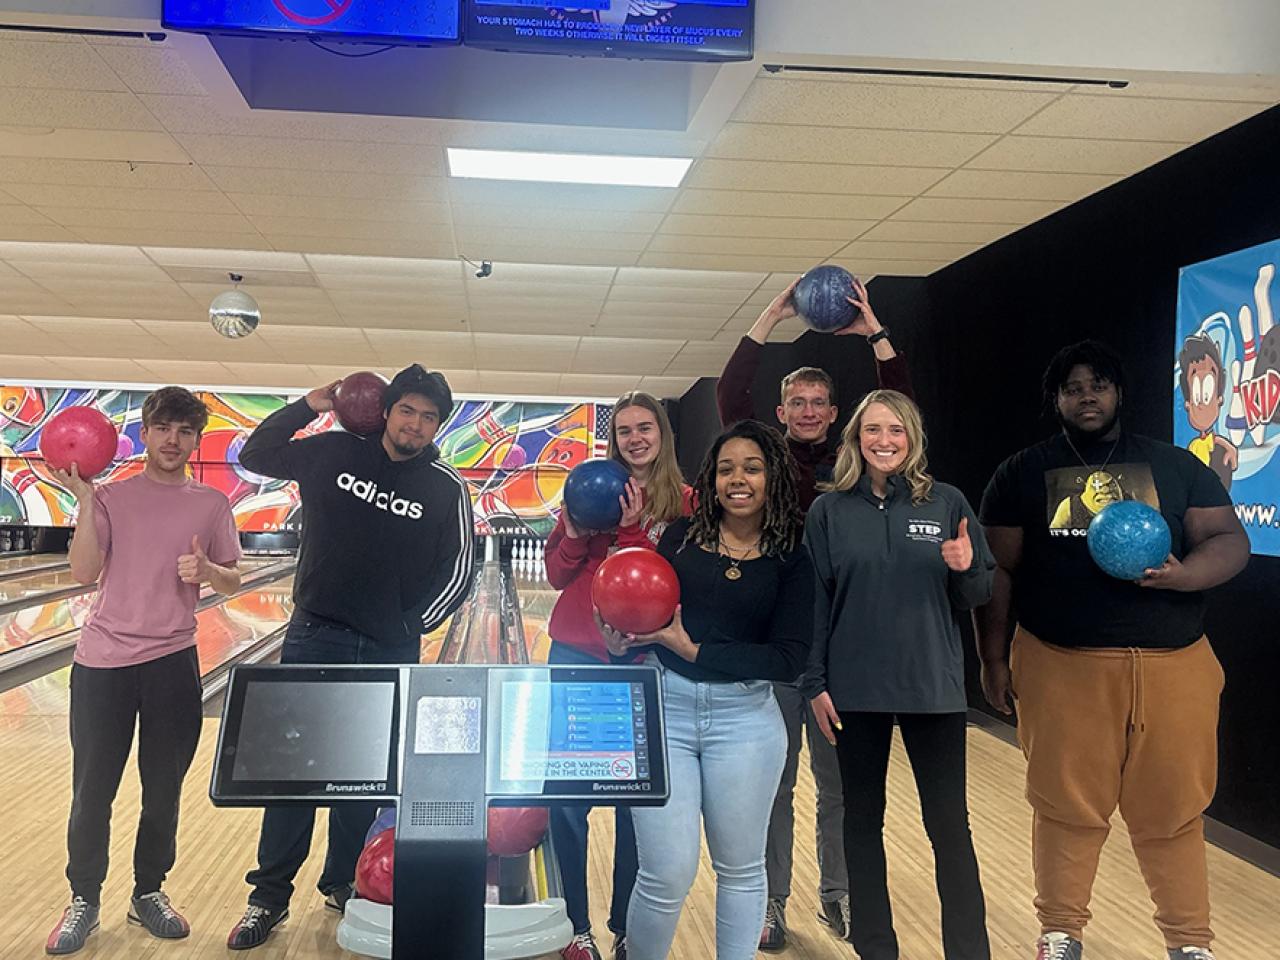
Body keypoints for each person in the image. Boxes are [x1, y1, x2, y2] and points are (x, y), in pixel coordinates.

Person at [975, 341, 1250, 960]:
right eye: (1072, 388)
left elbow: (1228, 539)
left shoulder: (1175, 466)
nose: (1086, 396)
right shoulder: (1021, 471)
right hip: (1060, 663)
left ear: (1119, 393)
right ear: (1057, 400)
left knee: (1174, 810)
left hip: (1174, 665)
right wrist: (992, 658)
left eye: (1097, 385)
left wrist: (1184, 575)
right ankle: (1060, 932)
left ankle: (1189, 943)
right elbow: (998, 572)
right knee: (1065, 807)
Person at [226, 364, 475, 950]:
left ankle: (345, 883)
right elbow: (255, 454)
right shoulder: (331, 451)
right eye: (408, 410)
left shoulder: (446, 487)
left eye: (429, 416)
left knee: (365, 777)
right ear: (387, 410)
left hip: (390, 646)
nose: (416, 424)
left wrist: (412, 624)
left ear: (438, 425)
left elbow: (458, 570)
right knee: (295, 775)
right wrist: (309, 405)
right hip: (316, 632)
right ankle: (267, 897)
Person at [717, 275, 912, 948]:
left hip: (842, 651)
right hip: (777, 645)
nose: (806, 411)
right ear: (782, 410)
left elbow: (902, 405)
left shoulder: (856, 462)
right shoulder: (765, 458)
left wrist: (876, 335)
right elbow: (728, 396)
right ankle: (772, 905)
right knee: (774, 789)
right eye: (796, 402)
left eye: (818, 403)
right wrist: (771, 313)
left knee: (841, 790)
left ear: (835, 413)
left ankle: (841, 898)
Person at [598, 418, 813, 960]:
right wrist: (624, 640)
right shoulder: (682, 536)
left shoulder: (792, 555)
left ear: (773, 477)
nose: (737, 479)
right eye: (725, 469)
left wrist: (697, 652)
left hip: (746, 722)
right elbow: (651, 615)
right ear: (712, 480)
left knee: (740, 869)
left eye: (752, 467)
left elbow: (789, 658)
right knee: (666, 872)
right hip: (666, 710)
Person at [45, 387, 242, 956]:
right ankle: (83, 898)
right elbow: (84, 572)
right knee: (92, 791)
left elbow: (232, 578)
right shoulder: (111, 498)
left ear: (195, 439)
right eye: (163, 429)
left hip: (172, 663)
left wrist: (207, 568)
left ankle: (148, 891)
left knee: (163, 792)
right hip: (103, 662)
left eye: (184, 431)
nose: (172, 441)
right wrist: (84, 501)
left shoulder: (211, 504)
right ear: (146, 434)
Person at [803, 389, 993, 960]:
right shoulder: (829, 510)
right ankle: (876, 947)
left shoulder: (946, 503)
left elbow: (979, 591)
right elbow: (814, 602)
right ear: (855, 439)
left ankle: (969, 951)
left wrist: (964, 569)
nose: (883, 441)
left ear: (912, 438)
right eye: (872, 430)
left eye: (895, 431)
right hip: (854, 688)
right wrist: (814, 681)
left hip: (931, 687)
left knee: (949, 828)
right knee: (861, 823)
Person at [544, 391, 694, 960]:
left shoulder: (682, 503)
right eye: (624, 430)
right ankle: (573, 926)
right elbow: (557, 575)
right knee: (568, 799)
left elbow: (650, 585)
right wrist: (579, 529)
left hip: (642, 664)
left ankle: (626, 926)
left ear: (662, 435)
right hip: (576, 657)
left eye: (645, 428)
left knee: (637, 804)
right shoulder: (587, 491)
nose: (635, 438)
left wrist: (630, 532)